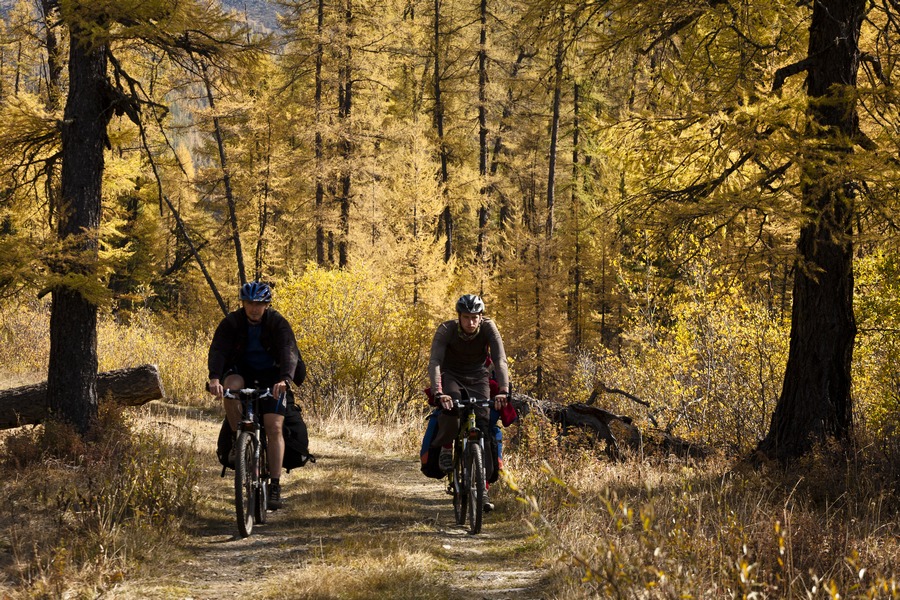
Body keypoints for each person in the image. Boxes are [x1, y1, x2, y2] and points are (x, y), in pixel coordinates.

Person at [207, 281, 306, 510]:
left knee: (274, 427)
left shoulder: (277, 323)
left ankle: (275, 485)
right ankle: (237, 441)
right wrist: (214, 379)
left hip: (273, 377)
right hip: (242, 373)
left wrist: (284, 379)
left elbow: (288, 351)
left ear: (267, 305)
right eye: (250, 303)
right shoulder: (232, 323)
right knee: (230, 387)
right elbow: (218, 350)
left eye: (259, 304)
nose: (254, 308)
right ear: (243, 303)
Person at [428, 294, 510, 511]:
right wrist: (439, 392)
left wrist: (503, 390)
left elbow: (500, 359)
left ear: (481, 317)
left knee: (483, 425)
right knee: (452, 406)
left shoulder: (489, 328)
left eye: (475, 317)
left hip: (478, 376)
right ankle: (447, 448)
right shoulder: (446, 330)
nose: (471, 322)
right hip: (451, 376)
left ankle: (483, 489)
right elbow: (435, 361)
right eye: (466, 317)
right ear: (459, 316)